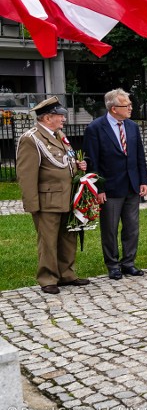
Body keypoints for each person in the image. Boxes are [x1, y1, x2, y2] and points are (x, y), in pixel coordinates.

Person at [17, 97, 90, 294]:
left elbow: (65, 163)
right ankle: (48, 278)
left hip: (67, 198)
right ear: (48, 117)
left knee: (68, 237)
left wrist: (77, 166)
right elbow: (26, 175)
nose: (63, 119)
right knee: (48, 241)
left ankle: (67, 273)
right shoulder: (31, 139)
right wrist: (32, 205)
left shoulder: (59, 136)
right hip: (47, 200)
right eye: (60, 116)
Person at [84, 88, 147, 280]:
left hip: (132, 185)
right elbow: (92, 161)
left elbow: (139, 155)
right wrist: (99, 188)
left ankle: (128, 262)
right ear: (113, 108)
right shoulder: (95, 128)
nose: (131, 108)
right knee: (110, 229)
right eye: (126, 105)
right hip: (110, 188)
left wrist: (143, 180)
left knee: (132, 227)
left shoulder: (132, 126)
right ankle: (112, 264)